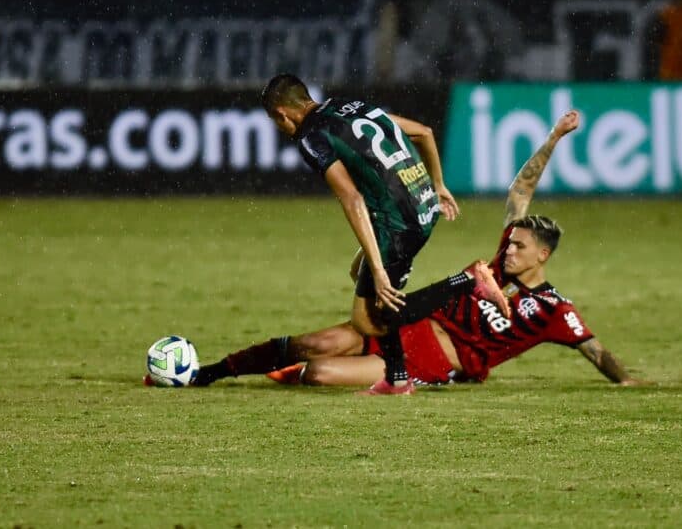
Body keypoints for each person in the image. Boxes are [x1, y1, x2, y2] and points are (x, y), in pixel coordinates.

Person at [187, 110, 645, 389]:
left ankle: (297, 374)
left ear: (542, 256)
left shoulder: (553, 309)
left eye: (520, 247)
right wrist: (553, 139)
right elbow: (519, 193)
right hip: (410, 319)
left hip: (434, 360)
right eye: (512, 242)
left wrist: (625, 380)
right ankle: (212, 372)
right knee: (312, 343)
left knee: (319, 373)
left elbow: (595, 351)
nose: (509, 250)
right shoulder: (501, 269)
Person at [243, 74, 508, 395]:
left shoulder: (311, 136)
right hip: (422, 204)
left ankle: (466, 284)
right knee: (359, 272)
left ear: (283, 114)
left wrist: (381, 270)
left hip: (399, 222)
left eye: (276, 122)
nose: (280, 129)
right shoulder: (347, 106)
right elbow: (423, 132)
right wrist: (438, 185)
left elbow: (352, 199)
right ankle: (394, 372)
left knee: (368, 320)